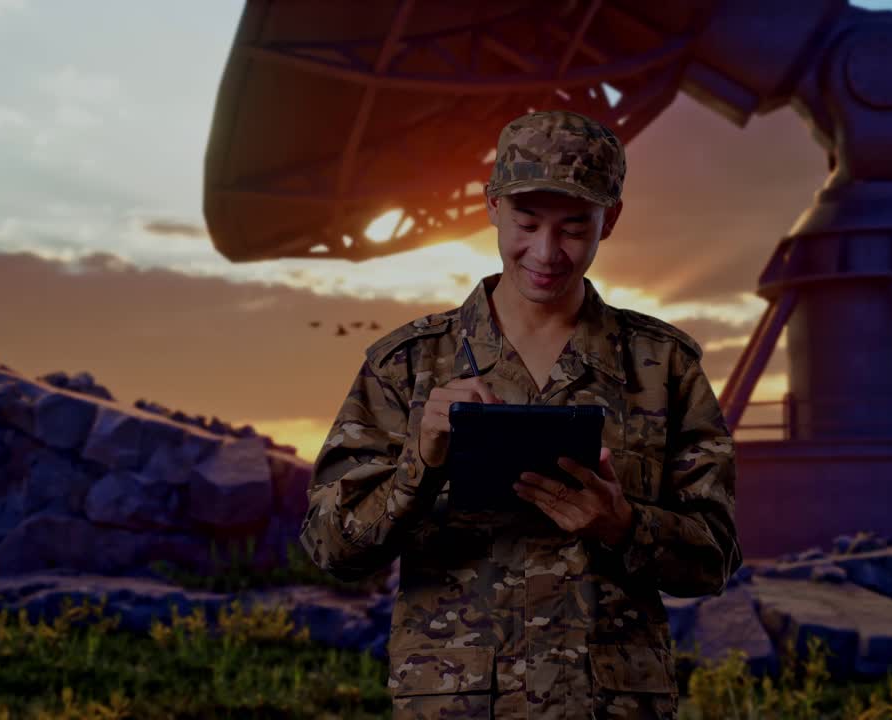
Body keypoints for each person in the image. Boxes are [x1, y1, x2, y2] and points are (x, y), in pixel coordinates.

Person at [300, 109, 742, 719]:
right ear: (491, 207)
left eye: (573, 228)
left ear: (609, 219)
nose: (546, 251)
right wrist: (419, 464)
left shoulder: (663, 367)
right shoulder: (408, 365)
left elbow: (714, 559)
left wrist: (622, 524)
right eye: (526, 222)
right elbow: (330, 549)